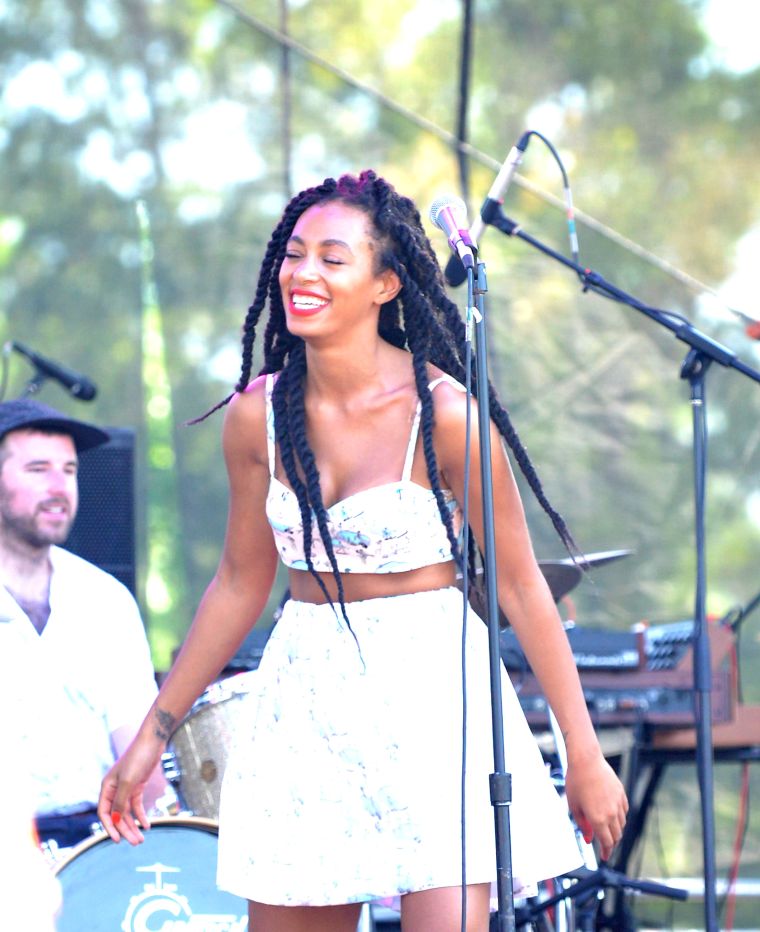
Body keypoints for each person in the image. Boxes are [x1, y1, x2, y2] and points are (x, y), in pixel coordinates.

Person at [99, 170, 628, 932]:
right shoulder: (257, 418)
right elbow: (239, 584)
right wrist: (153, 736)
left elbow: (521, 587)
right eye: (293, 253)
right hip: (307, 694)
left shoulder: (446, 416)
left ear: (384, 283)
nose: (302, 273)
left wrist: (583, 752)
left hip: (433, 694)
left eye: (331, 258)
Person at [0, 398, 172, 855]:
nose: (60, 487)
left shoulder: (105, 598)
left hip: (93, 849)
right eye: (38, 469)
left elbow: (143, 768)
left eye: (70, 470)